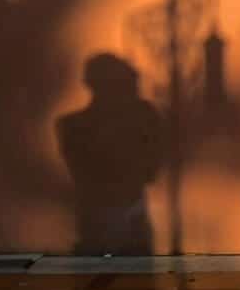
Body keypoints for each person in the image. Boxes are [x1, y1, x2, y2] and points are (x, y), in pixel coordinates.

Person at [57, 53, 164, 254]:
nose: (134, 91)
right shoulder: (75, 127)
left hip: (114, 225)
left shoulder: (73, 126)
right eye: (126, 84)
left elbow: (150, 170)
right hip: (102, 227)